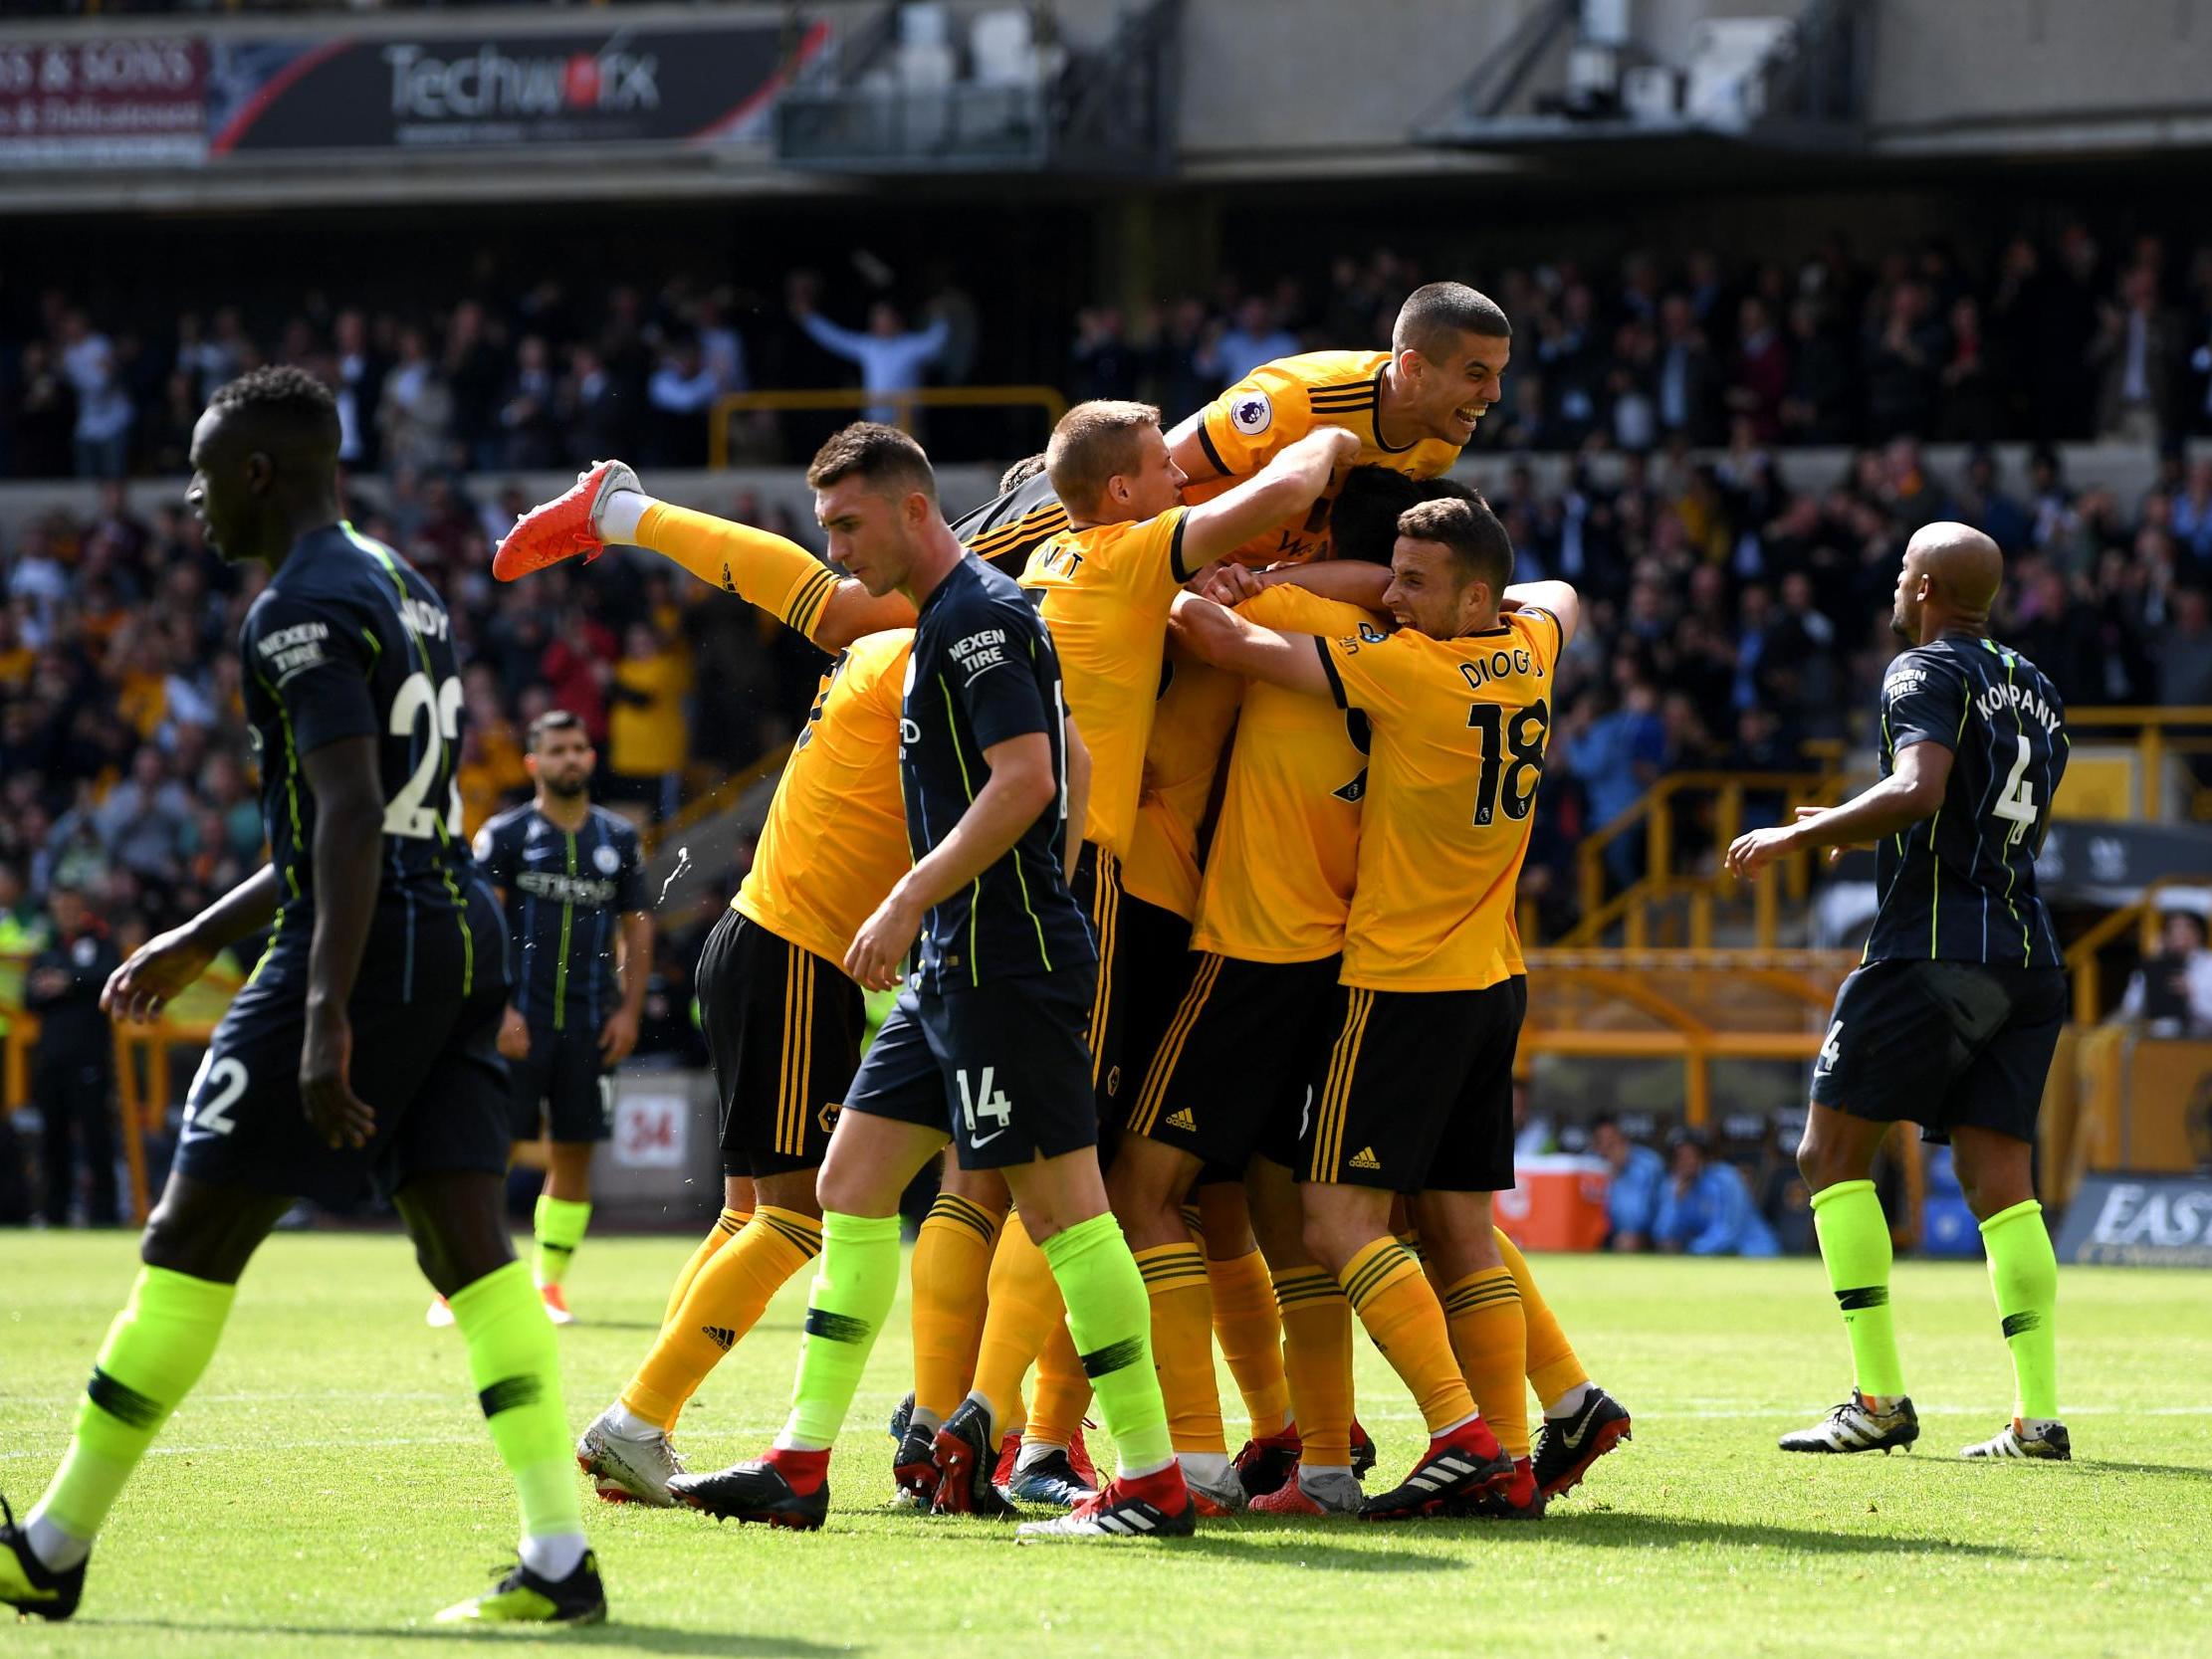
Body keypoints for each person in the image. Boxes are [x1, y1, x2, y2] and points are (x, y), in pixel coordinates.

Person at [0, 366, 601, 1625]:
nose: (192, 496)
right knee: (469, 1247)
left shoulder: (293, 607)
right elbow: (367, 812)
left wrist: (322, 1012)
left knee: (190, 1235)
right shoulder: (402, 581)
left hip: (368, 941)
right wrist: (197, 930)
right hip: (452, 927)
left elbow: (341, 817)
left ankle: (49, 1544)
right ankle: (558, 1554)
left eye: (206, 471)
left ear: (259, 473)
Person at [656, 423, 1196, 1542]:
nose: (836, 548)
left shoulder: (977, 619)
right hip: (955, 960)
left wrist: (907, 895)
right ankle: (800, 1460)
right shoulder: (959, 618)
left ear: (913, 510)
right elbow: (1071, 764)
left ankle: (1148, 1477)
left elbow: (1025, 779)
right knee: (848, 1184)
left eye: (848, 525)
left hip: (1005, 963)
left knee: (1066, 1216)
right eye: (824, 529)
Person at [1121, 471, 1630, 1518]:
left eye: (1414, 583)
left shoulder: (1399, 669)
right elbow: (1562, 592)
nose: (1392, 598)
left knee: (1330, 1218)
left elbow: (1221, 642)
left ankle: (1458, 1435)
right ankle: (1501, 1447)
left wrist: (1156, 567)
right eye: (1389, 577)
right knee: (1447, 1227)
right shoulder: (1523, 649)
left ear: (1472, 596)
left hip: (1394, 982)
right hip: (1490, 975)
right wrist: (1488, 599)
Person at [492, 455, 909, 1508]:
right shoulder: (930, 649)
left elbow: (807, 596)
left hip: (756, 937)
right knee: (800, 1218)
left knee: (743, 1216)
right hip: (799, 950)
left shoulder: (883, 645)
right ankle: (635, 1416)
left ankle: (645, 1419)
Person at [1727, 520, 2073, 1463]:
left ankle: (1878, 1398)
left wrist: (1802, 837)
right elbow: (1973, 811)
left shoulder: (1921, 669)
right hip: (2029, 952)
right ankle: (2036, 1415)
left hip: (1931, 949)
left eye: (1899, 574)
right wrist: (1853, 822)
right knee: (2002, 1182)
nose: (1893, 586)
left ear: (1923, 586)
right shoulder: (2037, 689)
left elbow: (1922, 789)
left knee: (1827, 1154)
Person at [430, 711, 649, 1329]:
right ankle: (459, 1283)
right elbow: (482, 925)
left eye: (579, 747)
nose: (572, 758)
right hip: (516, 1022)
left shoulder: (619, 839)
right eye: (557, 749)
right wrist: (496, 1009)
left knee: (574, 1154)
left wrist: (629, 1011)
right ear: (533, 764)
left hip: (589, 1023)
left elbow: (638, 926)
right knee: (486, 1149)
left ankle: (549, 1287)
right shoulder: (504, 835)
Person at [23, 887, 122, 1228]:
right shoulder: (47, 950)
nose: (64, 913)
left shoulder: (102, 944)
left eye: (71, 906)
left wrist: (68, 983)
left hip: (89, 1057)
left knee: (97, 1136)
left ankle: (104, 1215)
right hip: (52, 1058)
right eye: (59, 906)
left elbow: (107, 978)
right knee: (53, 1139)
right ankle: (55, 1213)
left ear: (84, 909)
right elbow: (29, 997)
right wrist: (57, 987)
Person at [1652, 1130, 1781, 1257]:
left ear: (1702, 1156)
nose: (1686, 1161)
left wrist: (1691, 1250)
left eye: (1691, 1154)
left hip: (1753, 1253)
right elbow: (1664, 1235)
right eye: (1680, 1156)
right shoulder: (1673, 1184)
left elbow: (1728, 1231)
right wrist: (1675, 1202)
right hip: (1710, 1258)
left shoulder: (1726, 1179)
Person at [2114, 908, 2212, 1037]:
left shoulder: (2208, 965)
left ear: (2199, 934)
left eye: (2186, 930)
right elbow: (2130, 1006)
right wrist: (2154, 969)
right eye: (2173, 931)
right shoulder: (2156, 964)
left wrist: (2191, 995)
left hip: (2202, 1042)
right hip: (2161, 1041)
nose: (2179, 936)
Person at [1591, 1116, 1665, 1252]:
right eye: (1603, 1144)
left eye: (1613, 1143)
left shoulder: (1649, 1165)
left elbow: (1641, 1214)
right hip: (1603, 1235)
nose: (1609, 1150)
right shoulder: (1591, 1166)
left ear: (1624, 1140)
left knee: (1629, 1242)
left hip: (1644, 1236)